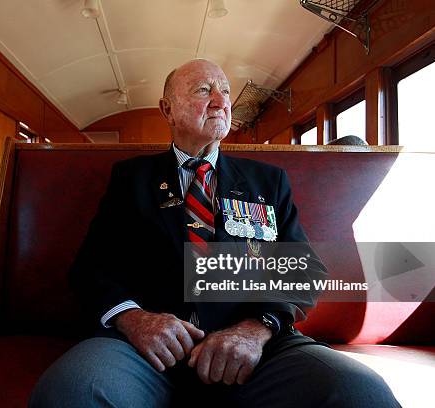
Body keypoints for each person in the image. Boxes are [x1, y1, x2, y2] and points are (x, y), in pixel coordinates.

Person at [29, 59, 399, 407]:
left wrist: (256, 330)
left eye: (225, 90)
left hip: (257, 352)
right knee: (69, 392)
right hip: (146, 352)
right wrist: (136, 321)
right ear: (167, 109)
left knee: (361, 392)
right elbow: (91, 269)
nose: (222, 100)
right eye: (204, 90)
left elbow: (301, 271)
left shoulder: (268, 181)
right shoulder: (131, 179)